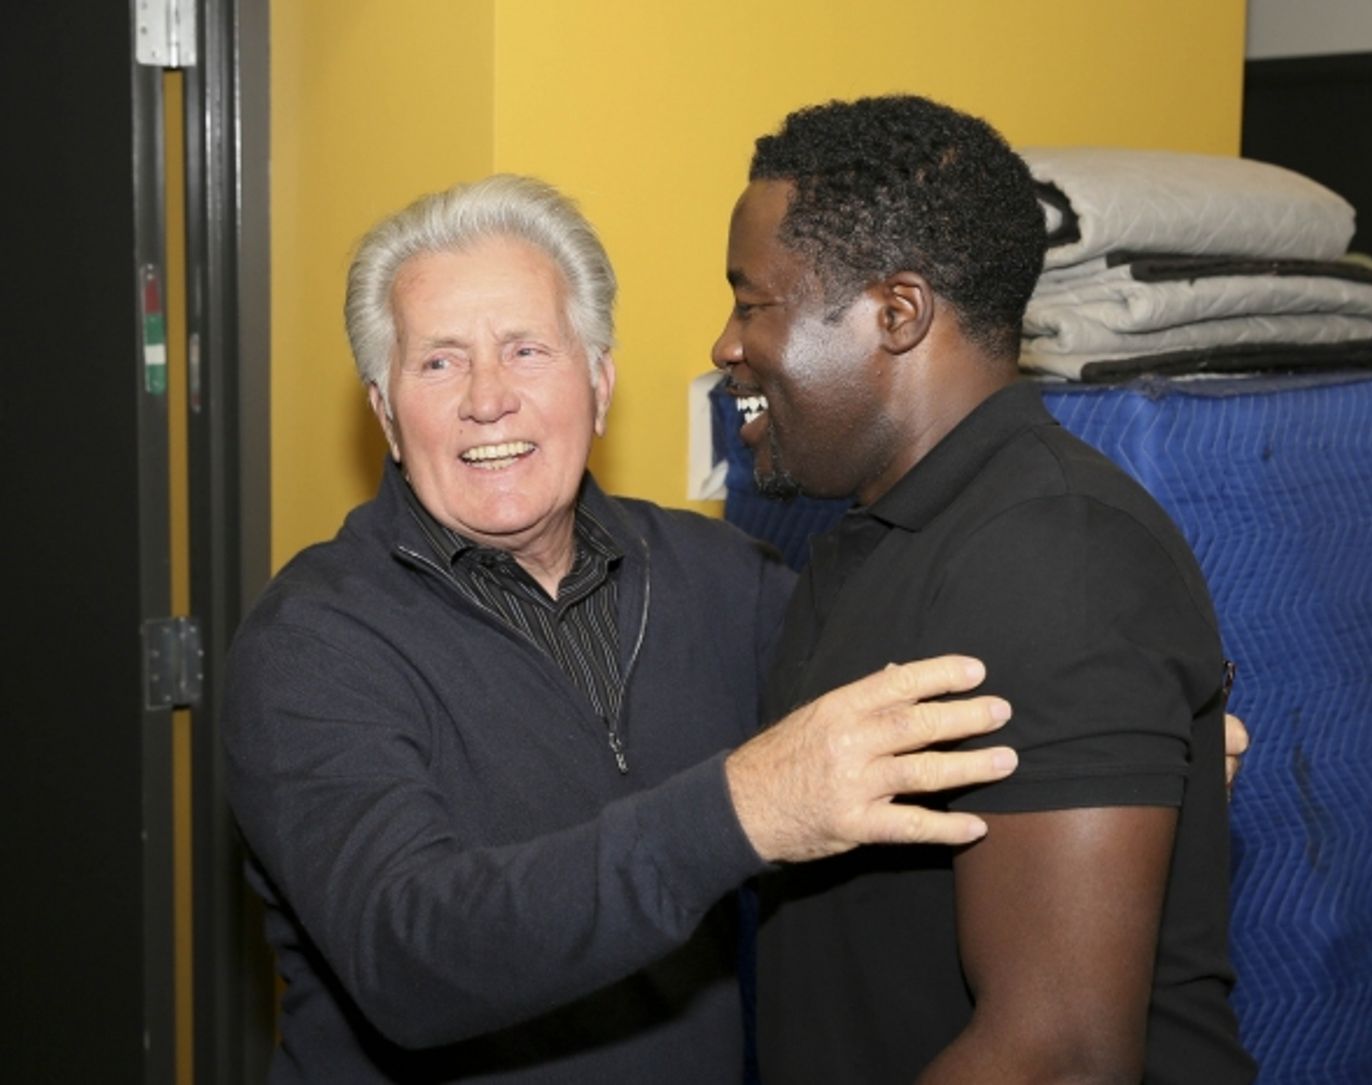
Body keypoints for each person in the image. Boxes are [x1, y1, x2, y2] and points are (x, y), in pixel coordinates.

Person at [220, 174, 1021, 1084]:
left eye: (527, 350)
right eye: (439, 362)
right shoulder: (311, 642)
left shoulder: (724, 578)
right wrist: (742, 808)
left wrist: (1090, 683)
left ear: (599, 385)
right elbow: (409, 957)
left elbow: (917, 715)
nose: (488, 397)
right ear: (386, 415)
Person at [713, 95, 1257, 1084]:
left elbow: (1062, 1055)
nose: (725, 343)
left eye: (753, 303)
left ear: (897, 313)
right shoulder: (882, 535)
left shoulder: (1057, 553)